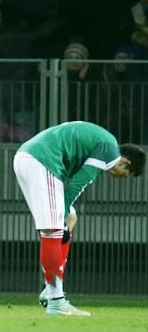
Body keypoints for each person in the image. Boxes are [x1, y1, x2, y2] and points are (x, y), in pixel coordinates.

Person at [13, 121, 145, 316]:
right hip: (43, 161)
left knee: (67, 220)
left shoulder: (103, 140)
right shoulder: (109, 150)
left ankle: (50, 291)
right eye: (124, 175)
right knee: (53, 228)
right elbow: (78, 184)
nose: (118, 177)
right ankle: (56, 301)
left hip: (27, 158)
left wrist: (67, 212)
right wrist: (64, 210)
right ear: (126, 162)